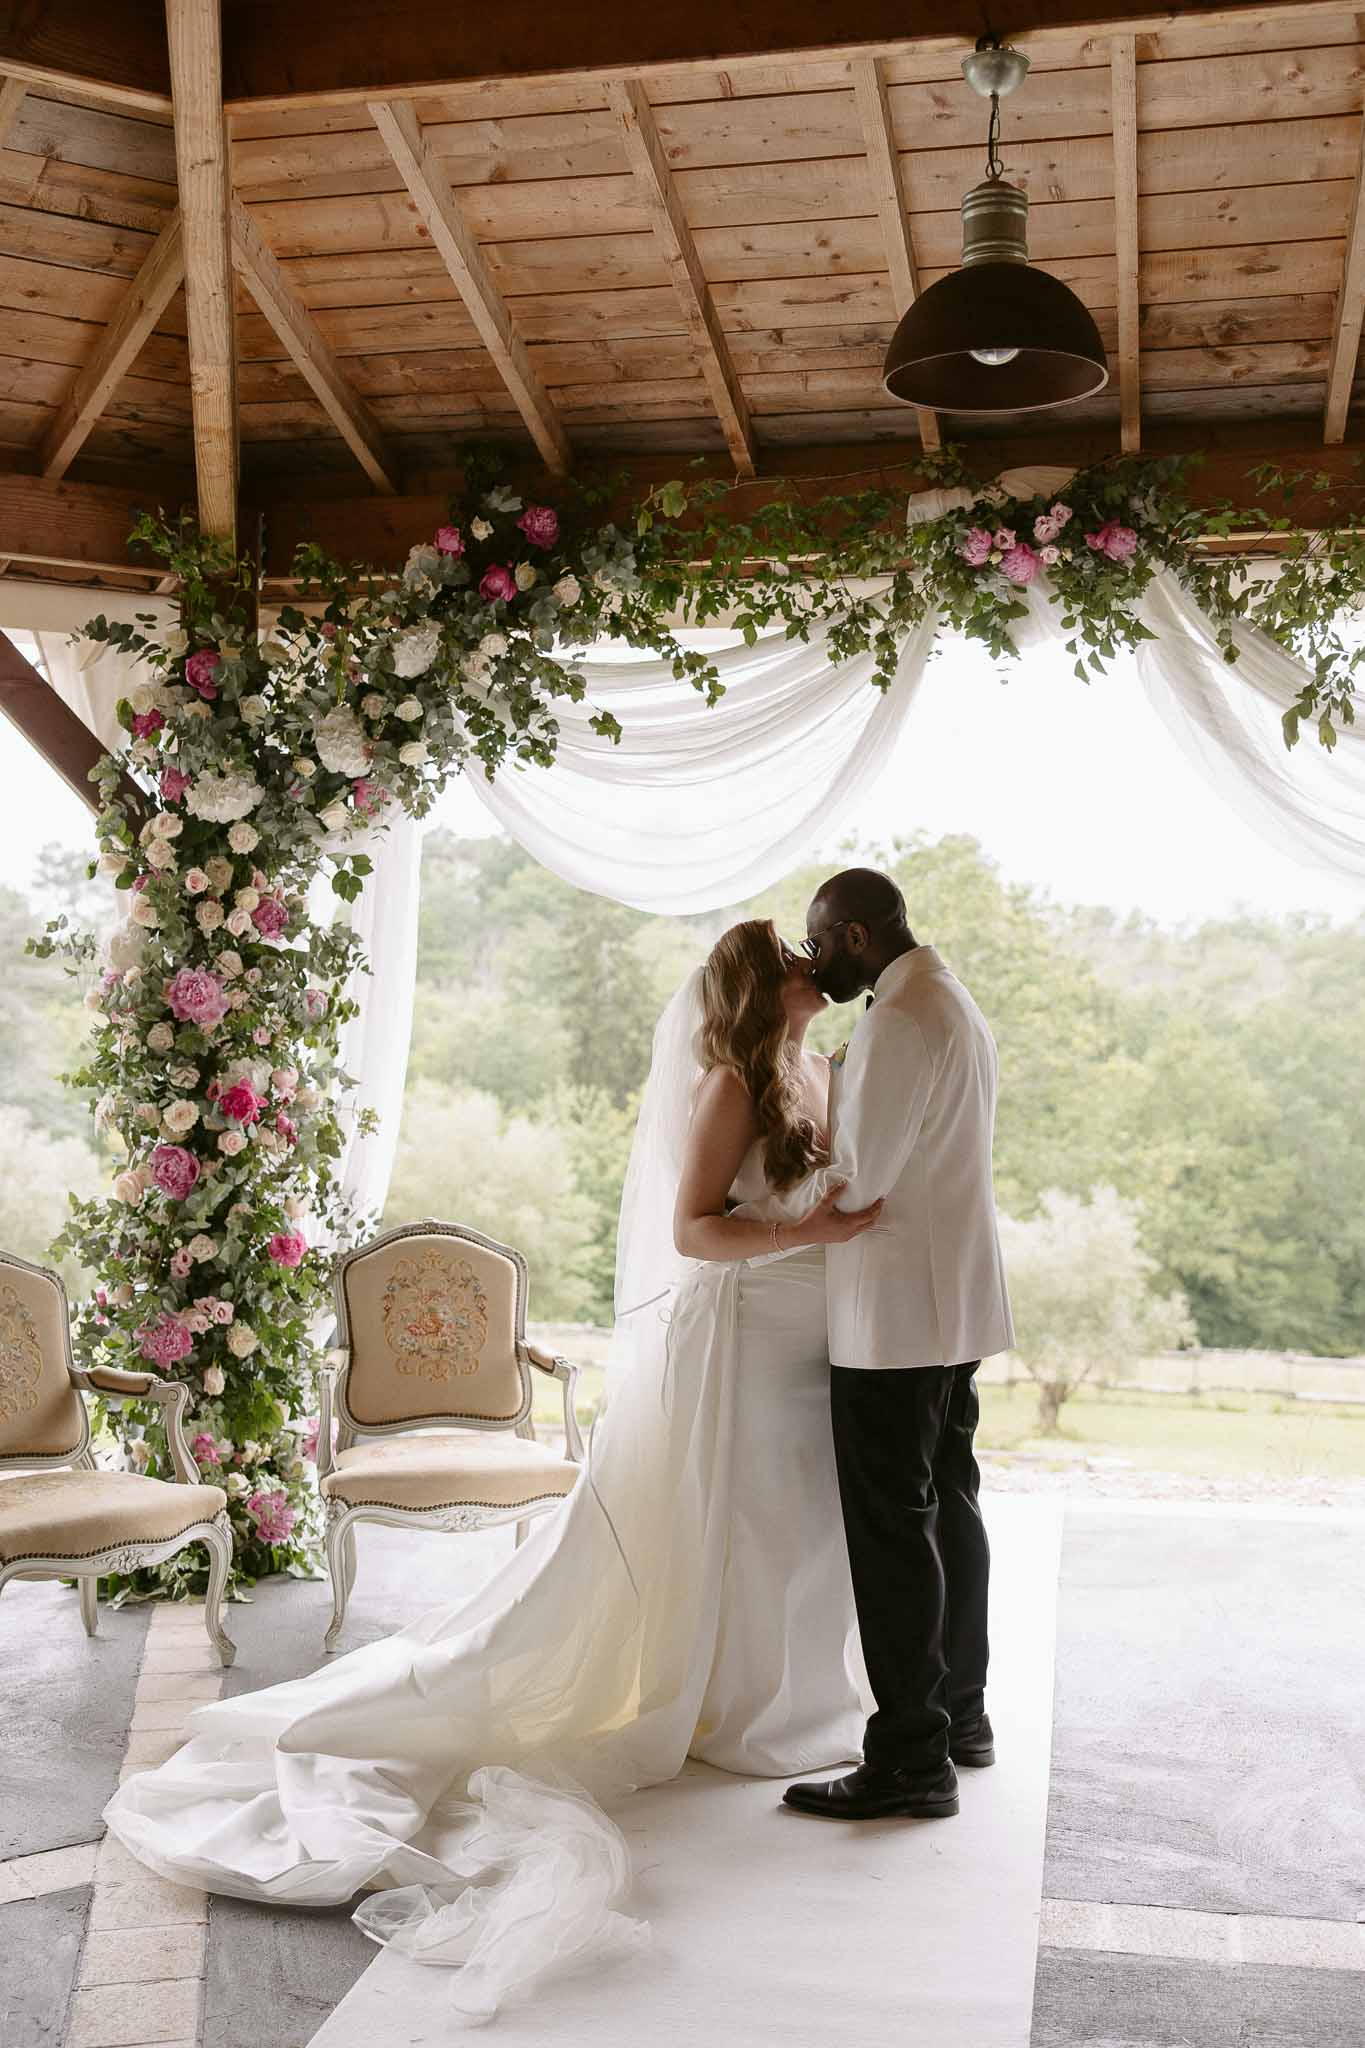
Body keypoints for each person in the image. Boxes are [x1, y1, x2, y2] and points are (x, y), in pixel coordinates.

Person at [102, 920, 880, 2021]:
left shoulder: (814, 1066)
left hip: (799, 1334)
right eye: (793, 954)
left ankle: (777, 1696)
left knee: (796, 1518)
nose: (813, 961)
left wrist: (834, 1240)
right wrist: (823, 1240)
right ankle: (724, 1703)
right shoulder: (728, 1086)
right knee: (744, 1515)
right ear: (763, 985)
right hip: (741, 1333)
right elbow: (696, 1230)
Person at [778, 868, 1015, 1823]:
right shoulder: (947, 1000)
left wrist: (819, 1118)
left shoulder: (895, 1021)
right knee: (948, 1504)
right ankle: (961, 1715)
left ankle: (911, 1757)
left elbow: (860, 1178)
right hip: (951, 1303)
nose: (815, 957)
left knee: (891, 1532)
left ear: (858, 935)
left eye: (821, 941)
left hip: (895, 1315)